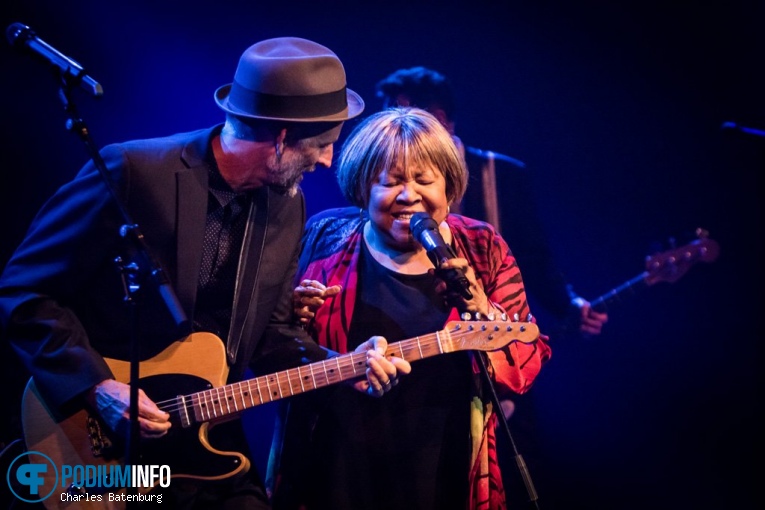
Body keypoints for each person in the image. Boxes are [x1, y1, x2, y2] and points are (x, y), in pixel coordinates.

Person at [0, 37, 410, 509]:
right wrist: (96, 387)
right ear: (279, 138)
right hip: (102, 445)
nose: (326, 161)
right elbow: (26, 289)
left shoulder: (287, 206)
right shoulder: (135, 170)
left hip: (206, 446)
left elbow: (271, 334)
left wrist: (340, 366)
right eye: (320, 145)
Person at [268, 108, 552, 510]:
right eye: (390, 181)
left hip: (443, 462)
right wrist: (294, 316)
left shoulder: (482, 248)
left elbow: (526, 361)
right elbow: (274, 342)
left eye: (424, 180)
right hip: (337, 464)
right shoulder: (324, 237)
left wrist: (480, 303)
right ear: (363, 188)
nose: (409, 195)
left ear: (449, 186)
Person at [375, 66, 608, 340]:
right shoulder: (382, 178)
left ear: (439, 118)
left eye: (402, 115)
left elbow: (533, 256)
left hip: (495, 330)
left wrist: (567, 304)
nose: (391, 129)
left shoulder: (502, 174)